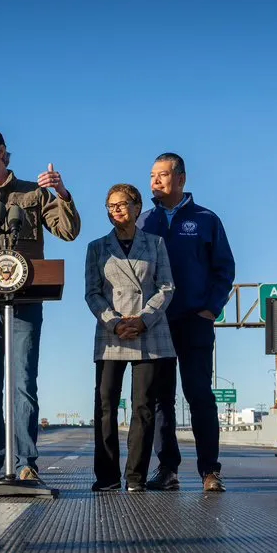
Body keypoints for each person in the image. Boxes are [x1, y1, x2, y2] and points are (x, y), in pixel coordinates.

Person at [0, 127, 81, 482]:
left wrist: (61, 193)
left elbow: (68, 231)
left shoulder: (34, 195)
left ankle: (25, 465)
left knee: (24, 382)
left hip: (27, 297)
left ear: (2, 152)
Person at [138, 153, 235, 493]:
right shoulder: (143, 222)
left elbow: (224, 269)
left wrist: (210, 309)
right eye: (152, 176)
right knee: (161, 399)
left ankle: (210, 470)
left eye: (162, 175)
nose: (155, 181)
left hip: (195, 320)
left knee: (199, 395)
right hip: (156, 324)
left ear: (181, 179)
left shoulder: (206, 220)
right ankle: (168, 469)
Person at [85, 184, 175, 492]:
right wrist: (114, 322)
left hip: (149, 332)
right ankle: (107, 476)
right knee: (105, 405)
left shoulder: (155, 243)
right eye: (110, 206)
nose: (116, 211)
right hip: (111, 334)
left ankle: (135, 476)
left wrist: (143, 320)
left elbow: (166, 287)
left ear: (137, 208)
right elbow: (92, 293)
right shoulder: (97, 247)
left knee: (143, 407)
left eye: (122, 205)